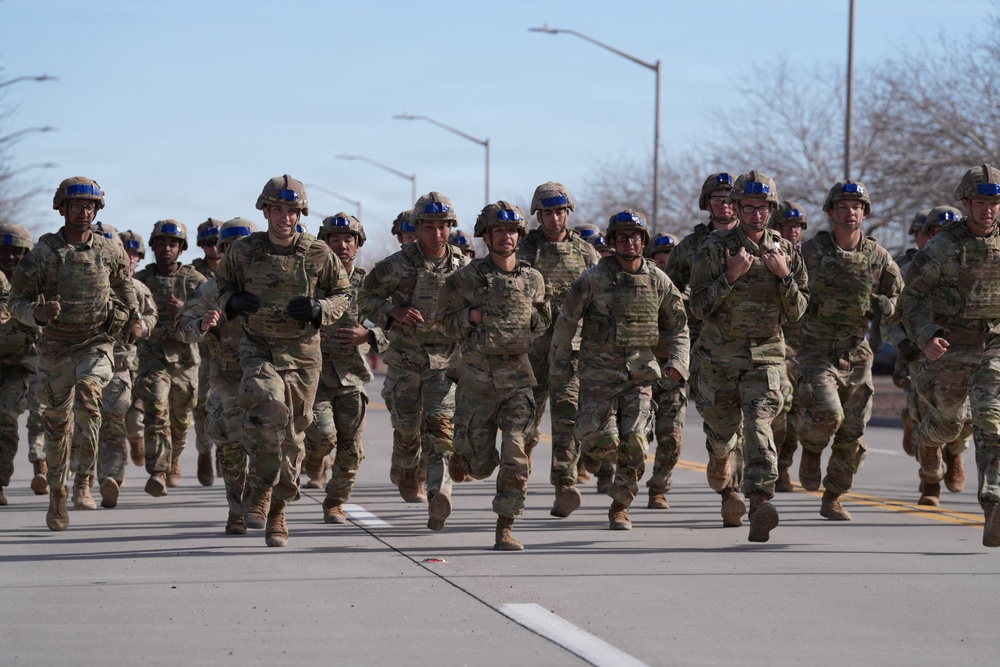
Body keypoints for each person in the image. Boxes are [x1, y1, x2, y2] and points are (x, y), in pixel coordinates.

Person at [216, 175, 350, 547]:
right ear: (266, 210)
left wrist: (320, 307)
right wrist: (232, 301)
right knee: (265, 410)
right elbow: (221, 285)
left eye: (292, 211)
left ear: (299, 213)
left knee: (293, 435)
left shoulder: (318, 253)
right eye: (278, 209)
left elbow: (344, 293)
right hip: (258, 348)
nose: (285, 218)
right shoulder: (243, 251)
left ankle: (278, 511)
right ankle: (259, 490)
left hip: (303, 356)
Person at [8, 176, 140, 530]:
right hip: (53, 349)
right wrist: (36, 314)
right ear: (62, 208)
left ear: (98, 209)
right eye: (77, 205)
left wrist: (136, 319)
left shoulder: (109, 250)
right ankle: (57, 494)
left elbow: (124, 287)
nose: (84, 212)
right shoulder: (42, 254)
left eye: (90, 206)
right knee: (56, 426)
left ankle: (83, 481)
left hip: (95, 343)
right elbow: (15, 300)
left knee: (90, 396)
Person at [550, 209, 689, 531]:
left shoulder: (658, 280)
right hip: (599, 374)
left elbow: (678, 327)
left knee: (637, 443)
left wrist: (678, 363)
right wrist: (560, 366)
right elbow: (567, 322)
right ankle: (593, 452)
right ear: (612, 241)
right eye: (623, 237)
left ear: (644, 241)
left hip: (640, 376)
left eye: (636, 236)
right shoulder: (593, 278)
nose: (630, 242)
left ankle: (620, 507)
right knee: (602, 440)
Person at [689, 171, 808, 542]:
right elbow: (697, 306)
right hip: (720, 360)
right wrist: (731, 275)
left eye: (764, 208)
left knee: (759, 427)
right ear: (737, 208)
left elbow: (799, 312)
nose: (757, 215)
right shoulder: (714, 248)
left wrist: (785, 277)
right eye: (749, 207)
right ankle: (722, 464)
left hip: (766, 358)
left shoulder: (786, 251)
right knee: (724, 437)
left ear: (772, 210)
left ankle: (760, 503)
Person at [898, 163, 1000, 547]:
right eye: (979, 202)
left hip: (993, 347)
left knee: (991, 423)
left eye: (994, 202)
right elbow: (910, 302)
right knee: (949, 424)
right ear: (965, 202)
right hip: (949, 350)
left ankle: (993, 505)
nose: (988, 209)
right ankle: (928, 444)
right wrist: (926, 336)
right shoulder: (943, 247)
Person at [438, 201, 549, 548]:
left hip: (517, 378)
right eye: (498, 231)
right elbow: (442, 322)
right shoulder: (465, 278)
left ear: (520, 235)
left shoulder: (533, 278)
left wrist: (532, 320)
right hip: (477, 380)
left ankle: (506, 525)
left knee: (516, 454)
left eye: (512, 231)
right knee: (480, 464)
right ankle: (462, 458)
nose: (506, 237)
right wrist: (470, 318)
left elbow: (544, 318)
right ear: (486, 236)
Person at [360, 192, 469, 529]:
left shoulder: (464, 268)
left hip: (445, 363)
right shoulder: (396, 264)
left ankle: (439, 495)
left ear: (450, 228)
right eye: (430, 227)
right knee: (408, 434)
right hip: (406, 362)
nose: (437, 233)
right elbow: (365, 297)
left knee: (440, 431)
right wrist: (392, 310)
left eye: (443, 227)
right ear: (418, 227)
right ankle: (407, 470)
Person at [796, 181, 902, 520]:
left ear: (865, 213)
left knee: (853, 433)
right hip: (816, 350)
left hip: (857, 354)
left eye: (857, 206)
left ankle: (833, 496)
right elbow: (789, 293)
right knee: (829, 414)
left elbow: (901, 300)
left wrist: (883, 305)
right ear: (830, 212)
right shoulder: (811, 252)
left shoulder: (877, 256)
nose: (850, 211)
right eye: (843, 205)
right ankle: (811, 447)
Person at [667, 172, 749, 526]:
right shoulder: (691, 246)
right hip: (705, 346)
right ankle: (719, 458)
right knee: (720, 420)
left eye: (731, 197)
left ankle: (733, 494)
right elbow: (670, 294)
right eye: (717, 198)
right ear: (706, 203)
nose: (725, 204)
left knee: (746, 423)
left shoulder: (755, 240)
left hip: (748, 346)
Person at [515, 182, 600, 518]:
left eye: (560, 211)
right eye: (547, 212)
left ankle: (564, 486)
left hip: (571, 349)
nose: (554, 218)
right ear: (538, 215)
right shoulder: (524, 250)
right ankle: (517, 479)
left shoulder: (585, 252)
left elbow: (598, 298)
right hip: (531, 349)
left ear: (569, 213)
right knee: (526, 423)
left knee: (567, 418)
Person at [303, 213, 387, 524]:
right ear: (324, 244)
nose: (341, 245)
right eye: (334, 239)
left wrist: (369, 334)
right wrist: (309, 331)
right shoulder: (310, 281)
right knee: (322, 435)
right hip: (315, 376)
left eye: (348, 239)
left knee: (352, 447)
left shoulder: (370, 286)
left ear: (357, 245)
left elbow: (393, 325)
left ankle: (335, 503)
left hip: (353, 378)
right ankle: (314, 459)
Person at [175, 217, 256, 534]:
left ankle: (265, 503)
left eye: (243, 248)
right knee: (231, 447)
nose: (235, 253)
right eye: (228, 248)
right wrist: (201, 325)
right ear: (221, 252)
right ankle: (237, 509)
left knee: (268, 445)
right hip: (224, 379)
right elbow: (182, 328)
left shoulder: (275, 285)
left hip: (269, 376)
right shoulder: (209, 290)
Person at [891, 206, 972, 506]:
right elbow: (893, 313)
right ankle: (930, 485)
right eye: (935, 230)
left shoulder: (966, 260)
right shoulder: (907, 267)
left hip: (963, 350)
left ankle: (955, 455)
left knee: (965, 416)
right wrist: (905, 342)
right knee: (925, 413)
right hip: (919, 353)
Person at [134, 220, 206, 495]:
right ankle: (158, 471)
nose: (166, 248)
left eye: (172, 244)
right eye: (161, 243)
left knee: (180, 418)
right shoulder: (141, 281)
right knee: (156, 409)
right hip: (152, 356)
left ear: (181, 249)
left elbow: (214, 316)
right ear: (152, 246)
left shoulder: (194, 280)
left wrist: (186, 308)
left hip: (186, 359)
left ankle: (174, 458)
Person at [88, 223, 158, 509]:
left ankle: (110, 477)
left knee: (115, 419)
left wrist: (142, 325)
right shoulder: (78, 284)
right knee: (85, 424)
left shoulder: (135, 288)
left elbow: (151, 316)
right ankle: (77, 478)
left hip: (119, 366)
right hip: (81, 363)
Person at [0, 223, 45, 503]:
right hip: (6, 363)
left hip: (29, 362)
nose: (10, 257)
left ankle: (38, 468)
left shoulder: (35, 282)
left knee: (33, 416)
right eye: (4, 251)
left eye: (17, 251)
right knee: (5, 420)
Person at [769, 201, 808, 491]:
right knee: (780, 407)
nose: (792, 231)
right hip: (778, 345)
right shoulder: (771, 255)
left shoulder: (811, 257)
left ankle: (785, 464)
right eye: (786, 226)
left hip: (808, 347)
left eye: (797, 226)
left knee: (798, 415)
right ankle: (773, 466)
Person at [190, 218, 223, 486]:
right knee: (202, 406)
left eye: (218, 242)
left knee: (230, 404)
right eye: (209, 243)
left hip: (233, 348)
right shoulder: (193, 274)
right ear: (202, 245)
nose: (214, 248)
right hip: (201, 350)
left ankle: (225, 451)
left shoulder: (239, 269)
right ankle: (204, 451)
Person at [119, 230, 149, 467]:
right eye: (126, 252)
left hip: (141, 359)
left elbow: (152, 316)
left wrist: (142, 326)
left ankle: (137, 438)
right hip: (113, 358)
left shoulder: (142, 284)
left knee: (136, 414)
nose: (130, 257)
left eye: (134, 253)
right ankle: (114, 470)